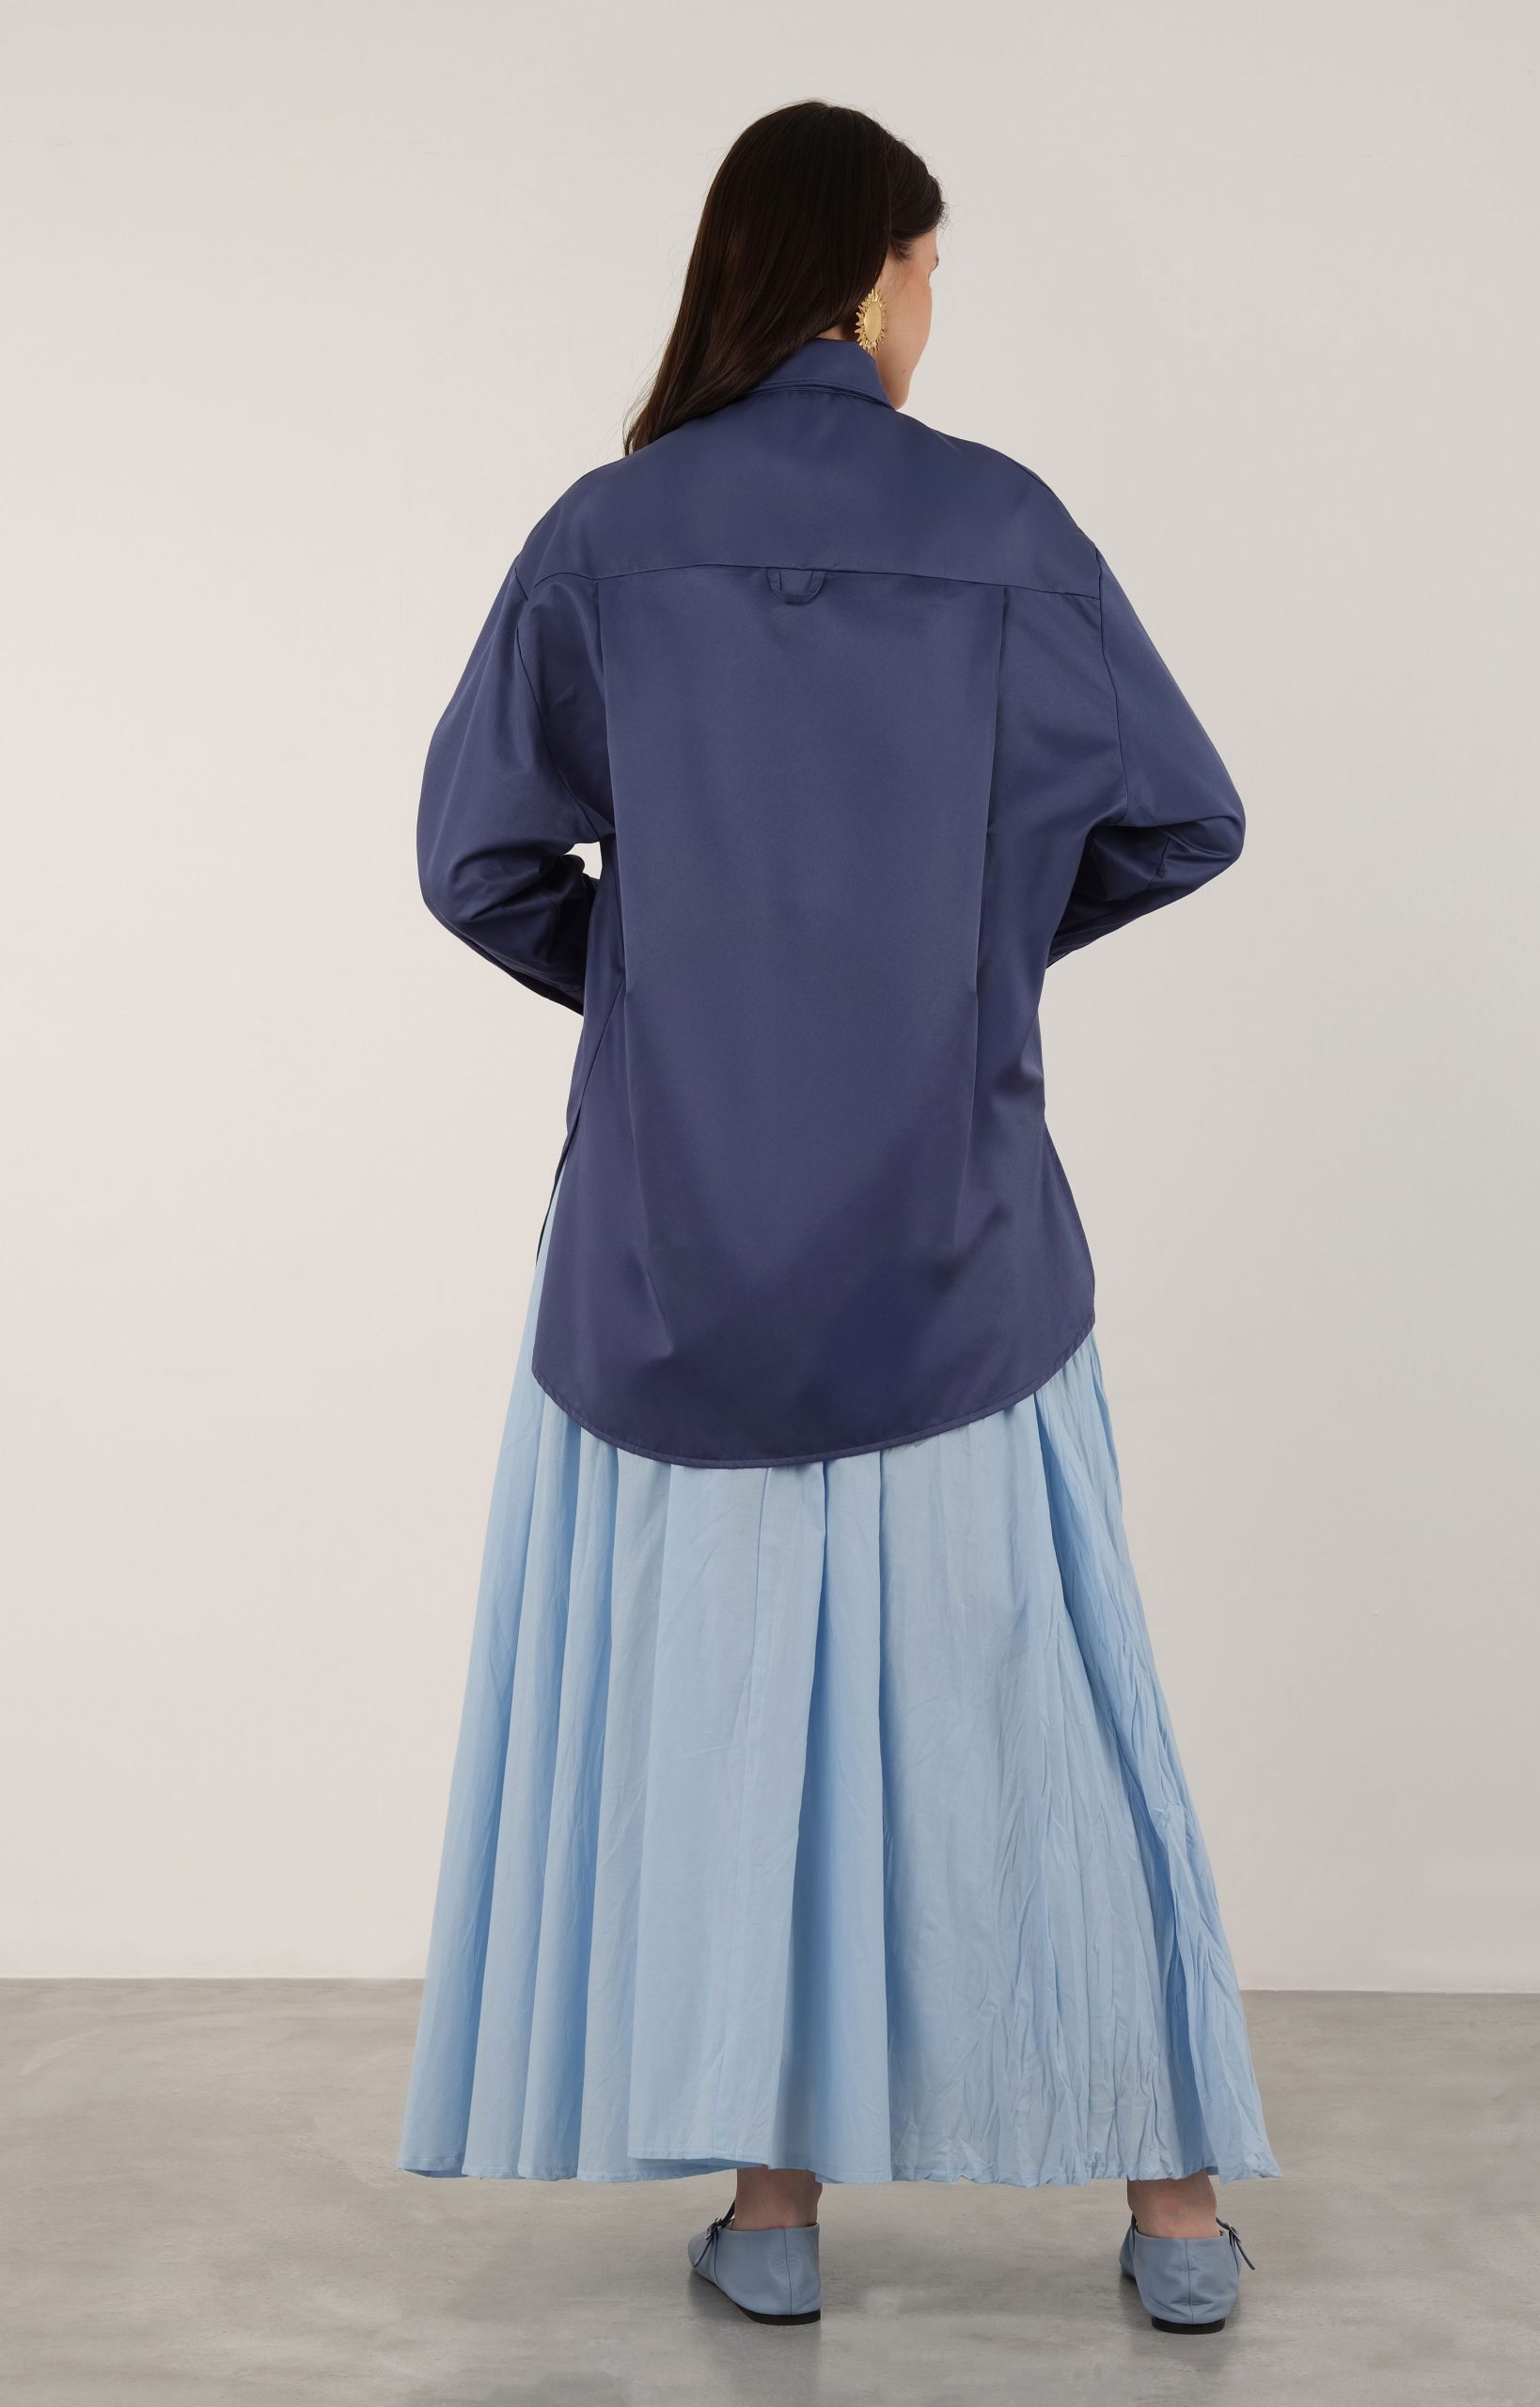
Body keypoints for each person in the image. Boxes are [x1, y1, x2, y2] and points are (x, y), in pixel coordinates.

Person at [398, 98, 1277, 2338]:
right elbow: (1184, 815)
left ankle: (771, 2206)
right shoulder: (1005, 526)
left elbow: (475, 859)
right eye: (931, 270)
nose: (929, 311)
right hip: (954, 1243)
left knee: (736, 1730)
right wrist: (961, 959)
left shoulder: (605, 538)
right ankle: (1176, 2213)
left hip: (668, 1257)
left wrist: (667, 989)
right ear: (875, 270)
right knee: (1050, 1711)